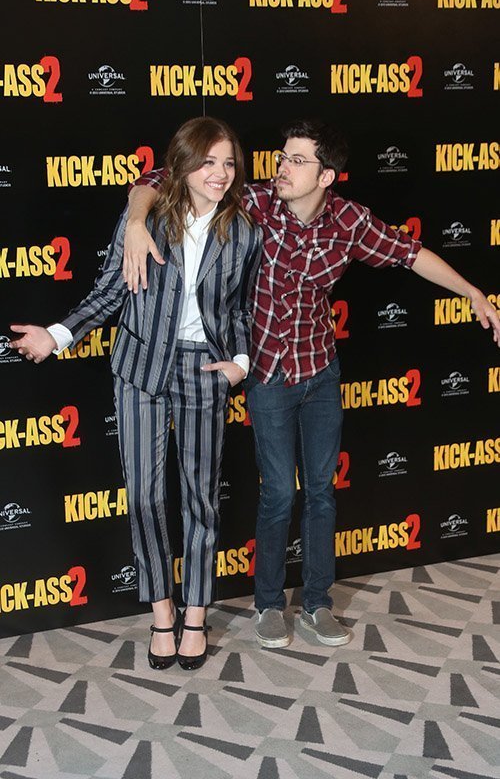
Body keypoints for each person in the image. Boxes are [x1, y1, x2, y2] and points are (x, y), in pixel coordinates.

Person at [121, 118, 500, 650]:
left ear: (326, 176)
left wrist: (472, 292)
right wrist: (137, 222)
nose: (282, 167)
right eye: (283, 156)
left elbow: (410, 254)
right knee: (279, 492)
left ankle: (318, 603)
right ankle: (268, 604)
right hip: (268, 375)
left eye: (297, 161)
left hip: (321, 372)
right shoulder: (253, 202)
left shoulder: (349, 220)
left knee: (321, 492)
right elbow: (158, 178)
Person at [9, 117, 262, 670]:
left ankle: (196, 615)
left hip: (204, 370)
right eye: (208, 162)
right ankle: (162, 612)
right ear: (183, 164)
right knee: (146, 498)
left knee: (200, 498)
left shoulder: (244, 231)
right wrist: (57, 335)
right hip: (140, 367)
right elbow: (109, 291)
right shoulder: (146, 220)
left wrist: (240, 365)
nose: (220, 173)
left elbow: (243, 308)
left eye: (228, 163)